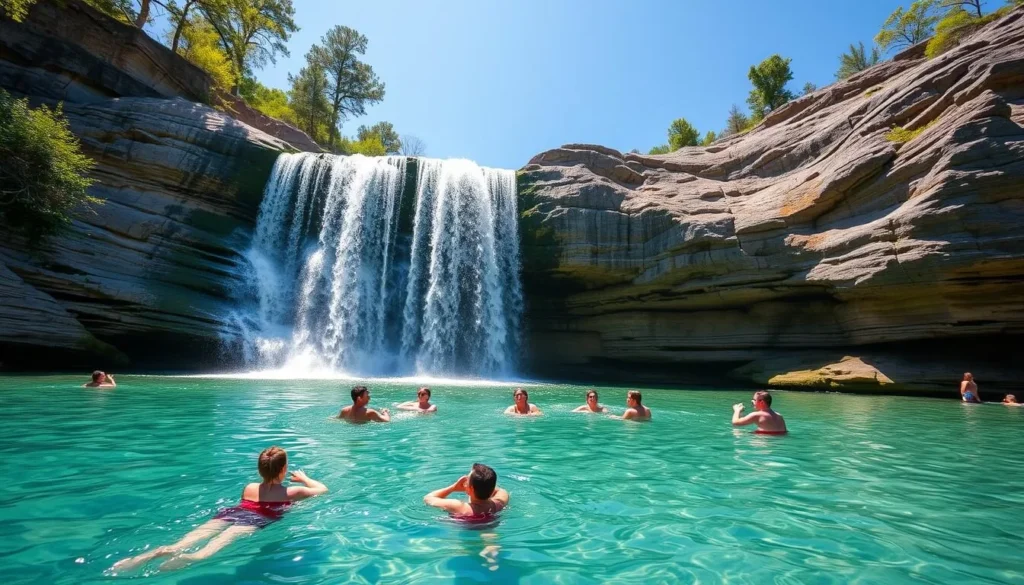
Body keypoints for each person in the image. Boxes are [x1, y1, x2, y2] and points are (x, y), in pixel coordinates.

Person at [112, 446, 327, 572]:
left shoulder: (249, 487)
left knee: (182, 543)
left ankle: (150, 555)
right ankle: (192, 558)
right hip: (255, 520)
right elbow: (323, 489)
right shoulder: (292, 492)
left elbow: (252, 499)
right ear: (284, 469)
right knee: (208, 551)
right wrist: (305, 478)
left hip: (230, 513)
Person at [423, 463, 510, 521]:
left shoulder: (459, 506)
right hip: (489, 524)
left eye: (467, 479)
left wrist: (453, 487)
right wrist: (481, 485)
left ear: (470, 489)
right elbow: (500, 490)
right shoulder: (498, 504)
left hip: (465, 529)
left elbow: (428, 498)